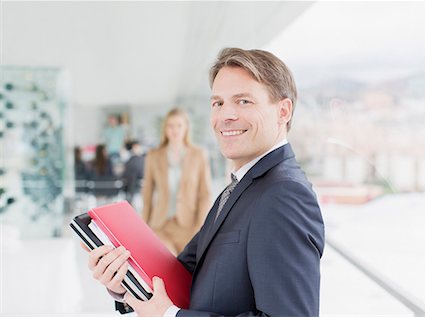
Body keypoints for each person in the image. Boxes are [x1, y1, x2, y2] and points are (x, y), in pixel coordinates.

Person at [84, 48, 325, 316]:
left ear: (283, 111)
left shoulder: (284, 194)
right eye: (218, 103)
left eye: (243, 101)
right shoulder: (241, 186)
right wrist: (123, 282)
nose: (225, 116)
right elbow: (186, 274)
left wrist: (170, 315)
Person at [139, 108, 211, 255]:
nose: (175, 130)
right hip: (160, 225)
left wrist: (200, 227)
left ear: (186, 128)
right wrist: (143, 227)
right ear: (165, 129)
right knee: (166, 264)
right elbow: (147, 194)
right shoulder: (154, 156)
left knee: (185, 271)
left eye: (179, 125)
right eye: (170, 126)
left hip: (189, 226)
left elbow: (205, 195)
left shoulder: (198, 155)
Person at [122, 140, 145, 205]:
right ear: (135, 147)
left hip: (132, 191)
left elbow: (124, 177)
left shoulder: (129, 162)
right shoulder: (142, 160)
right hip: (139, 189)